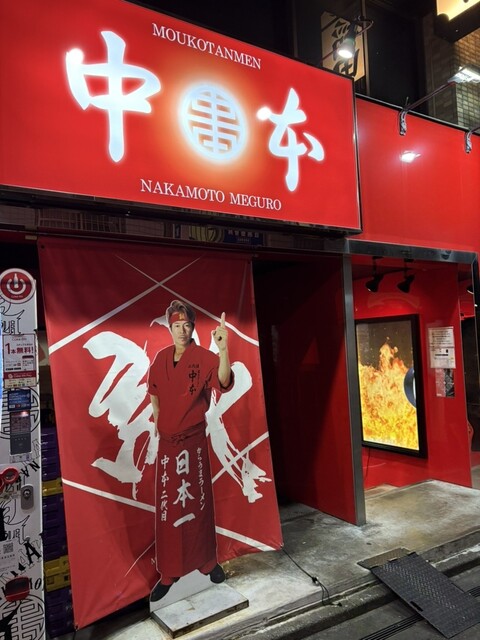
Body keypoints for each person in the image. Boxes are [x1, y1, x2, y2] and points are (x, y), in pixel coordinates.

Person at [147, 299, 233, 602]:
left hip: (193, 442)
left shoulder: (204, 357)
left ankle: (207, 561)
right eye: (176, 325)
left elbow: (223, 381)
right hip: (168, 445)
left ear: (193, 327)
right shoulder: (160, 358)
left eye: (187, 325)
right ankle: (169, 572)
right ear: (169, 328)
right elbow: (154, 393)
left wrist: (223, 349)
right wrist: (159, 422)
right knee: (169, 508)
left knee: (198, 502)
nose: (182, 330)